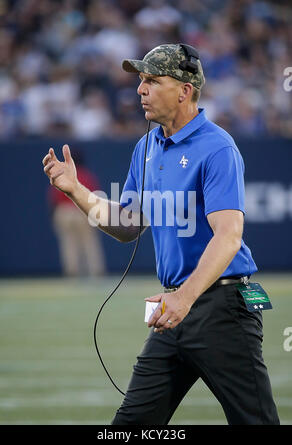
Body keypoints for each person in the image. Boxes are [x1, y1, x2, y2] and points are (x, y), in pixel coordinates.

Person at [42, 43, 280, 425]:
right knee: (130, 425)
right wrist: (77, 192)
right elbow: (128, 225)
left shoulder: (218, 147)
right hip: (173, 309)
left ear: (185, 90)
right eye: (140, 81)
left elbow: (229, 236)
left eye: (152, 80)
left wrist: (186, 298)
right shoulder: (147, 146)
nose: (140, 90)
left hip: (221, 308)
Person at [48, 150, 106, 277]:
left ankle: (71, 271)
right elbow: (95, 197)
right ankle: (96, 271)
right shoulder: (87, 175)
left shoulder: (61, 174)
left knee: (68, 243)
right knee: (89, 243)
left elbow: (53, 199)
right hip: (83, 211)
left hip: (64, 211)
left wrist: (53, 215)